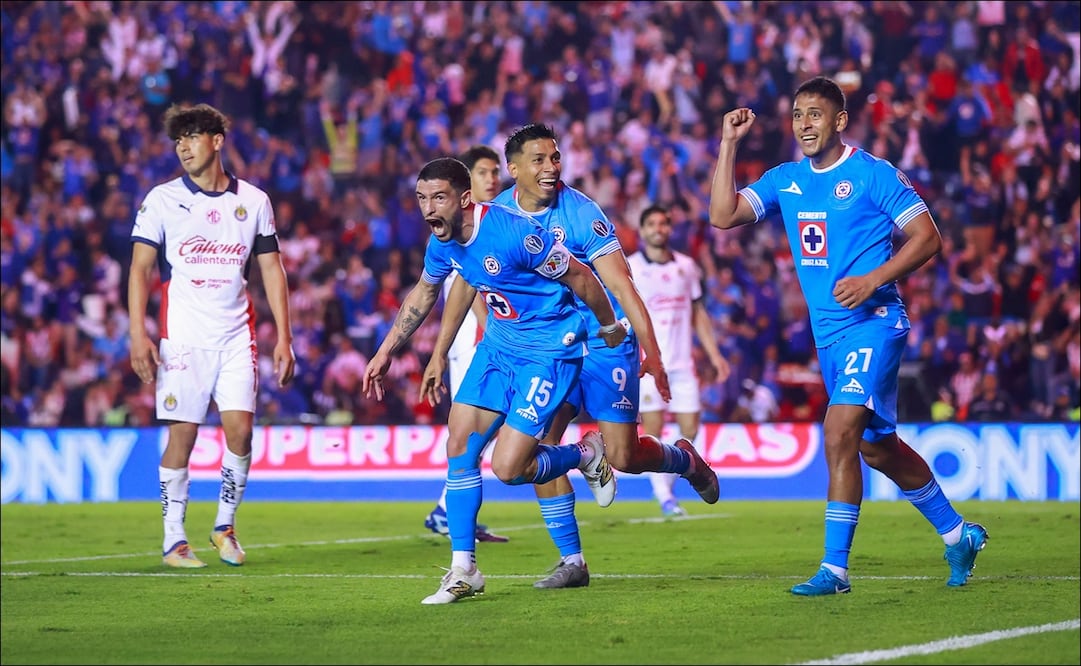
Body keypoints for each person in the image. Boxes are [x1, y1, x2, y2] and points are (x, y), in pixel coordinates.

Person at [708, 76, 988, 595]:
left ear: (839, 120)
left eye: (814, 114)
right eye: (797, 115)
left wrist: (873, 279)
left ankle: (834, 571)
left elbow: (928, 238)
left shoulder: (872, 174)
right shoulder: (786, 179)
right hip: (830, 336)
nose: (803, 124)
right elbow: (722, 215)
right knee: (878, 450)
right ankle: (959, 534)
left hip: (876, 322)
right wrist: (728, 144)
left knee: (838, 432)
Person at [443, 123, 719, 590]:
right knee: (539, 442)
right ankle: (573, 560)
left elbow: (622, 288)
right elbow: (471, 277)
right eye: (539, 160)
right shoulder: (497, 214)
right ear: (515, 169)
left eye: (555, 158)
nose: (551, 167)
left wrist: (652, 353)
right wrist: (459, 342)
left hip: (604, 340)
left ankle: (683, 460)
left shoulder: (583, 215)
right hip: (549, 347)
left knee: (625, 456)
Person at [362, 157, 624, 605]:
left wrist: (608, 325)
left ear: (464, 199)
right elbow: (425, 292)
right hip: (498, 348)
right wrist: (388, 350)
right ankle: (464, 569)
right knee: (459, 446)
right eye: (422, 198)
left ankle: (585, 453)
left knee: (509, 469)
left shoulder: (515, 233)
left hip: (548, 352)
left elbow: (580, 276)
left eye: (438, 198)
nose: (428, 208)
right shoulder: (441, 242)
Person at [128, 103, 296, 569]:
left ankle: (224, 525)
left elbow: (272, 269)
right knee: (182, 436)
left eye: (192, 137)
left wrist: (285, 337)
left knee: (241, 432)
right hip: (183, 338)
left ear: (217, 141)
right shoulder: (162, 200)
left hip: (237, 336)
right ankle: (173, 539)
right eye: (177, 140)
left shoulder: (254, 201)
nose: (183, 147)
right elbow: (140, 269)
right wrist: (137, 333)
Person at [422, 145, 509, 543]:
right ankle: (447, 510)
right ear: (466, 186)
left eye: (495, 172)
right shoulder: (462, 227)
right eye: (484, 172)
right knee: (473, 429)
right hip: (476, 341)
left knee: (480, 430)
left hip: (482, 341)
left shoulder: (491, 220)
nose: (493, 179)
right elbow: (468, 282)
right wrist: (495, 332)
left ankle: (448, 508)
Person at [627, 204, 731, 518]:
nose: (658, 229)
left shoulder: (687, 267)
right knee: (653, 430)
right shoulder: (631, 268)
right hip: (648, 364)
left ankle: (667, 484)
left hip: (683, 363)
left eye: (663, 224)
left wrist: (714, 355)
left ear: (670, 229)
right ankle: (665, 497)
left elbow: (698, 314)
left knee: (690, 429)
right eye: (652, 224)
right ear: (642, 230)